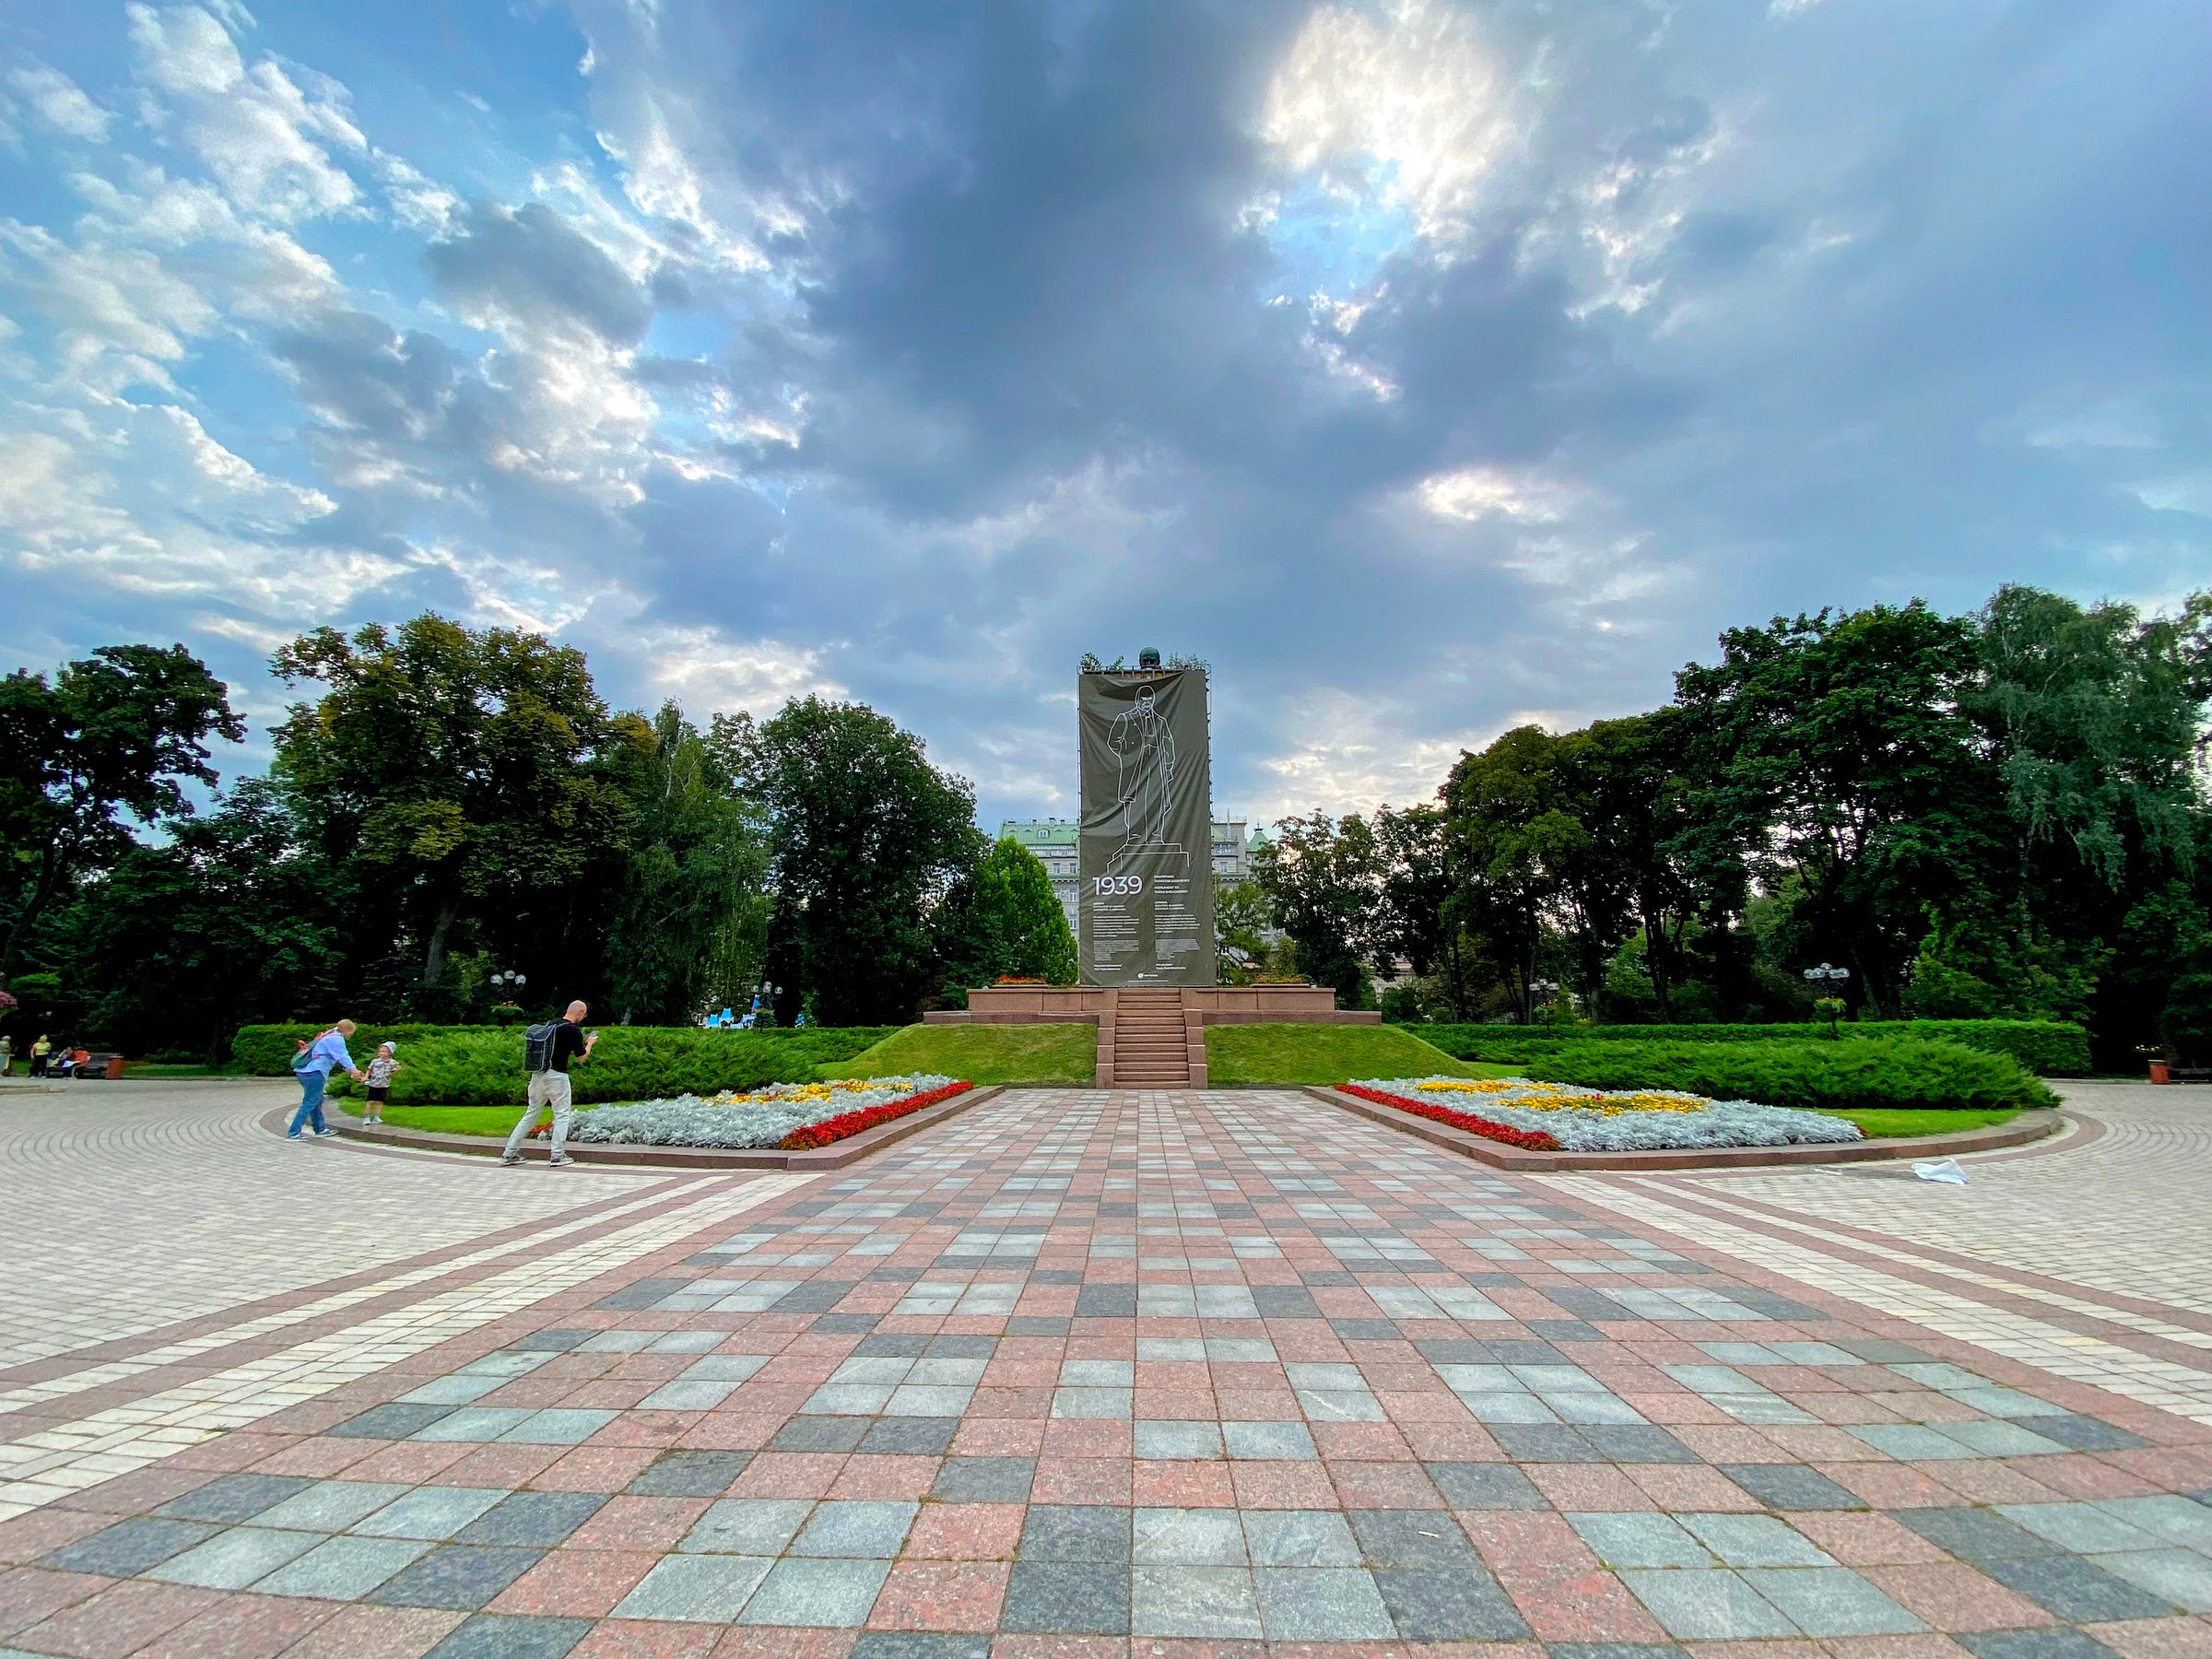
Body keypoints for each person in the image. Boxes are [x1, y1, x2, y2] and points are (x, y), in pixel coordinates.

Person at [501, 1000, 595, 1168]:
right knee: (562, 1114)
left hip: (537, 1075)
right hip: (557, 1076)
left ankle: (509, 1153)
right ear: (580, 1012)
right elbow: (581, 1057)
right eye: (584, 1014)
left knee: (531, 1113)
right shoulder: (572, 1030)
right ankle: (557, 1155)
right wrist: (590, 1043)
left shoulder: (549, 1025)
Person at [289, 1019, 365, 1139]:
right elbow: (343, 1056)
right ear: (347, 1030)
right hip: (314, 1072)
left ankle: (319, 1129)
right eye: (352, 1032)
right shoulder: (336, 1039)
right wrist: (354, 1070)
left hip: (305, 1072)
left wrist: (351, 1070)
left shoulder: (329, 1035)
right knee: (310, 1102)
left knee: (316, 1100)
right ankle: (293, 1133)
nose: (351, 1034)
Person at [360, 1041, 400, 1126]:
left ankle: (377, 1116)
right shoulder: (375, 1061)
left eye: (384, 1051)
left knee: (380, 1101)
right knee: (370, 1101)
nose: (381, 1053)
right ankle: (367, 1117)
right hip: (374, 1084)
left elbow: (398, 1067)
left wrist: (394, 1071)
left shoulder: (392, 1062)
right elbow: (369, 1069)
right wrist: (366, 1077)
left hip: (384, 1085)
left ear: (390, 1053)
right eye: (380, 1051)